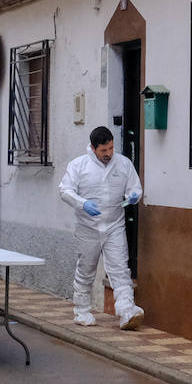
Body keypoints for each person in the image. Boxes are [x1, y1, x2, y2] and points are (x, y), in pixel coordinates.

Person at [59, 126, 145, 329]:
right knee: (86, 269)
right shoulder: (78, 166)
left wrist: (134, 195)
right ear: (93, 148)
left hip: (115, 225)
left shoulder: (123, 164)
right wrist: (83, 204)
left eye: (111, 149)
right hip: (87, 227)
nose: (108, 154)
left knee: (120, 269)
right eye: (103, 150)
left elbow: (135, 187)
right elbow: (65, 190)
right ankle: (81, 311)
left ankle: (127, 311)